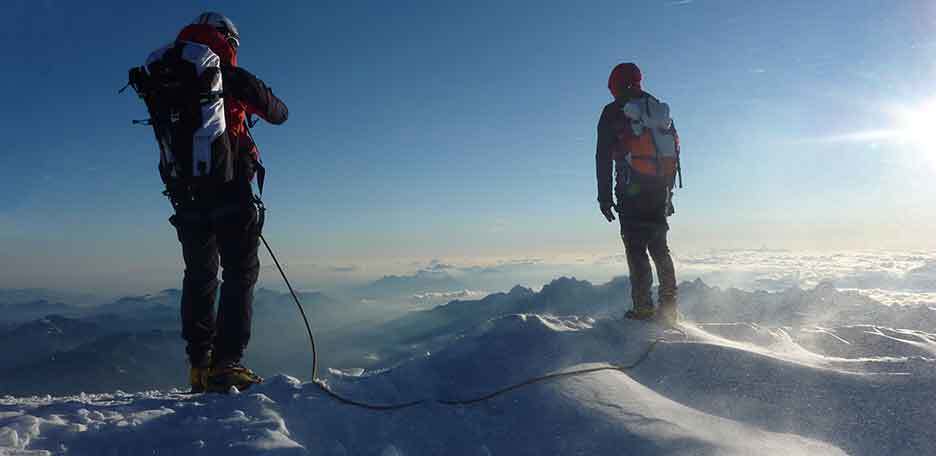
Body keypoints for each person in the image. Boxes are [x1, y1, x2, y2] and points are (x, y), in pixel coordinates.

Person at [160, 12, 288, 392]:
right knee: (239, 271)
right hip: (229, 189)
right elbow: (278, 113)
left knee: (200, 275)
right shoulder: (226, 75)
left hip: (185, 195)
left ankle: (199, 365)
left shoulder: (167, 76)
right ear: (228, 41)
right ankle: (227, 363)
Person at [595, 62, 679, 325]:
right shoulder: (657, 110)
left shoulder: (613, 111)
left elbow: (603, 157)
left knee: (635, 247)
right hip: (659, 189)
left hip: (631, 189)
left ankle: (643, 309)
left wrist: (604, 197)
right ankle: (669, 309)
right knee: (660, 247)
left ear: (615, 85)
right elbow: (672, 153)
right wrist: (668, 196)